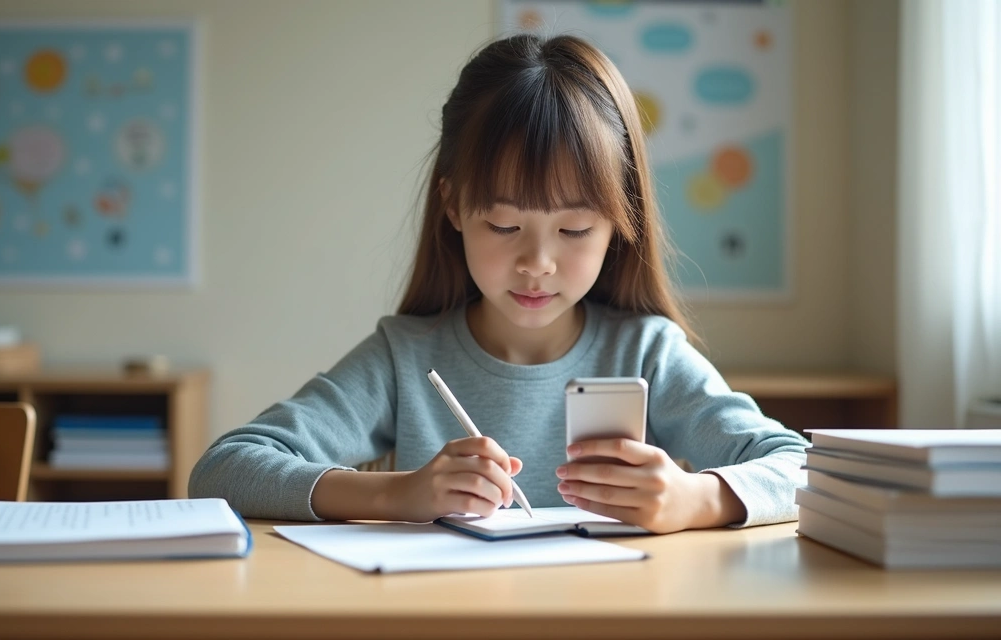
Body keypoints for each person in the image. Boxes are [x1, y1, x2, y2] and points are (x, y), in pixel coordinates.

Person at [189, 33, 807, 534]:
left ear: (620, 224)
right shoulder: (406, 358)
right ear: (455, 207)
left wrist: (696, 499)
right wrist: (398, 494)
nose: (536, 262)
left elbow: (802, 469)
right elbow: (222, 470)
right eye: (505, 224)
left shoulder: (648, 353)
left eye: (574, 230)